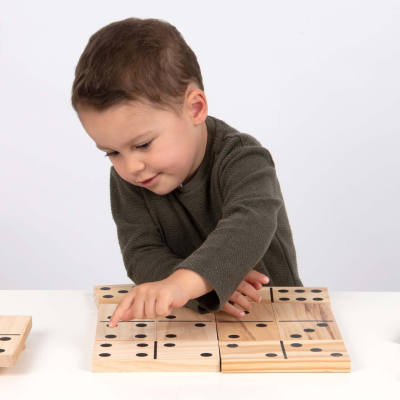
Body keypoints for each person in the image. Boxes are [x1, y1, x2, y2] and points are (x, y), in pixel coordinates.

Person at [71, 17, 304, 327]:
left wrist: (184, 283)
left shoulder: (245, 158)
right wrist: (196, 290)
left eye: (142, 144)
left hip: (273, 317)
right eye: (112, 152)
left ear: (195, 109)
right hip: (195, 319)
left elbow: (250, 223)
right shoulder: (130, 176)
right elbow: (141, 253)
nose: (131, 167)